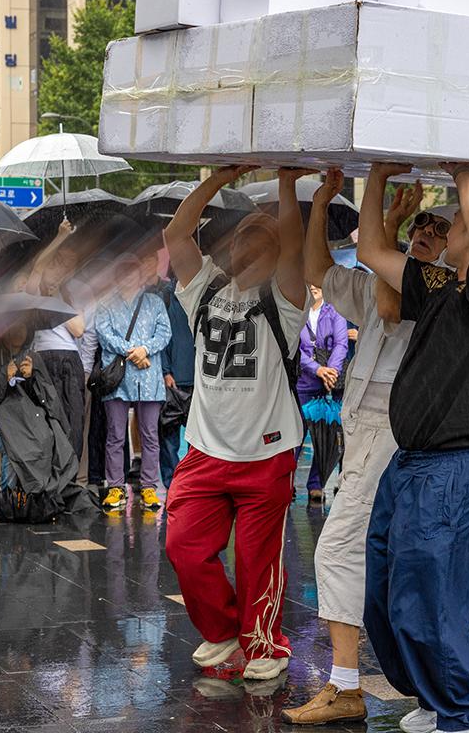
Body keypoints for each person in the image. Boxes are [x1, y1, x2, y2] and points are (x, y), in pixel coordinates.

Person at [280, 177, 469, 727]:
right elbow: (319, 271)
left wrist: (386, 211)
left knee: (341, 551)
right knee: (405, 568)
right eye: (423, 224)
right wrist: (320, 204)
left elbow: (390, 303)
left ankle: (351, 683)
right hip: (369, 435)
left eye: (439, 229)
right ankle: (445, 685)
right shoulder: (390, 277)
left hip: (398, 437)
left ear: (459, 243)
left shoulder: (440, 288)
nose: (427, 233)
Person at [351, 162, 469, 733]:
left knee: (427, 603)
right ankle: (434, 698)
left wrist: (463, 173)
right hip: (409, 467)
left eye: (456, 222)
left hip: (449, 471)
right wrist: (378, 176)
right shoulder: (439, 286)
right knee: (384, 598)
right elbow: (372, 250)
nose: (445, 229)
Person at [162, 165, 313, 682]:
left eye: (263, 240)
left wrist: (288, 186)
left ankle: (265, 642)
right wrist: (219, 178)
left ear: (275, 253)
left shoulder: (285, 298)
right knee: (183, 546)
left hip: (266, 453)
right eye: (244, 236)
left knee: (256, 561)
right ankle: (224, 630)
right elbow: (176, 235)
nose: (248, 246)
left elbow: (293, 249)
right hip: (205, 449)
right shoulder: (204, 288)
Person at [0, 318, 91, 517]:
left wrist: (32, 377)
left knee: (48, 439)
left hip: (25, 426)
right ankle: (6, 498)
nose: (18, 332)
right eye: (13, 327)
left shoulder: (32, 360)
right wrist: (3, 376)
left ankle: (37, 493)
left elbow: (46, 401)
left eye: (23, 327)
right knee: (15, 445)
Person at [97, 255, 172, 512]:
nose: (128, 278)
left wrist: (145, 349)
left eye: (133, 273)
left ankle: (149, 486)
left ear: (140, 277)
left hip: (149, 379)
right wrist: (135, 352)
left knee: (150, 434)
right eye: (123, 273)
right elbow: (104, 334)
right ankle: (115, 487)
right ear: (116, 278)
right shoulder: (106, 304)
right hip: (118, 378)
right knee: (115, 435)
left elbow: (165, 332)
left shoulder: (154, 302)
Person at [28, 219, 87, 461]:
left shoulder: (70, 294)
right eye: (57, 263)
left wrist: (57, 301)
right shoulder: (34, 291)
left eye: (67, 266)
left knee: (73, 420)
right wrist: (60, 237)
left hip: (69, 359)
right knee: (46, 418)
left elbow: (79, 329)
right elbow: (37, 268)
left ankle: (69, 472)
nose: (60, 270)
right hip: (42, 358)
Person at [296, 285, 349, 503]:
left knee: (326, 434)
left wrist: (331, 372)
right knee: (296, 435)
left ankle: (316, 484)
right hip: (303, 382)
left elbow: (341, 344)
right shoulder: (296, 310)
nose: (313, 286)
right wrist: (317, 369)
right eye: (309, 282)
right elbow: (293, 346)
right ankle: (285, 480)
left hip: (329, 383)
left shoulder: (335, 310)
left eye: (317, 282)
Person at [158, 263, 196, 489]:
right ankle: (172, 485)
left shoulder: (202, 294)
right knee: (168, 439)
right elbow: (161, 336)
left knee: (196, 440)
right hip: (172, 379)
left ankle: (192, 484)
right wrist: (165, 371)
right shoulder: (166, 296)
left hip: (198, 380)